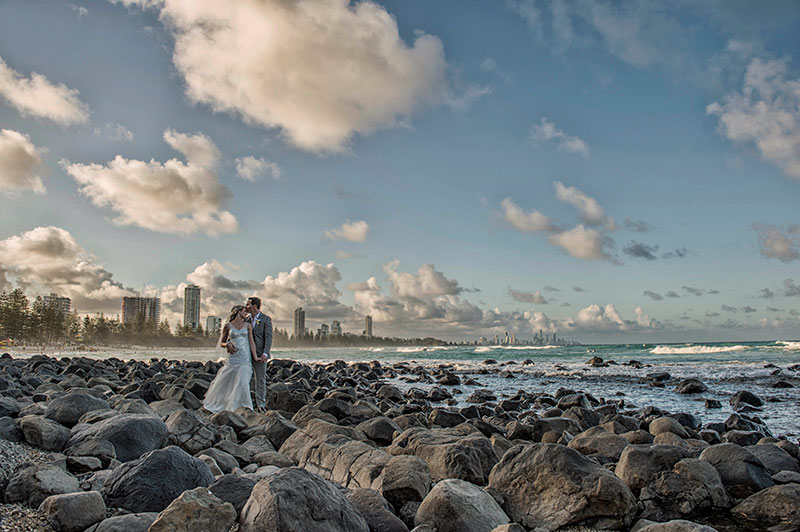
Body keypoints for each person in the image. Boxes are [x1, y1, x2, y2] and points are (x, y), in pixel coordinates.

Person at [203, 305, 266, 413]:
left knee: (242, 382)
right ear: (238, 311)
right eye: (244, 311)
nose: (247, 313)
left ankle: (241, 406)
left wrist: (255, 357)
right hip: (233, 357)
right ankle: (226, 404)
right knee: (227, 381)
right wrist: (227, 344)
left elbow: (251, 342)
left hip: (245, 358)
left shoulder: (248, 325)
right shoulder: (228, 326)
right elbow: (222, 342)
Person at [244, 296, 272, 412]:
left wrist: (265, 353)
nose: (246, 307)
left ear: (254, 306)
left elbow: (268, 337)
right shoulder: (246, 319)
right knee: (245, 378)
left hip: (260, 354)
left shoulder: (266, 319)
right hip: (246, 353)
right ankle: (247, 402)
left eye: (248, 304)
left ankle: (261, 404)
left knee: (260, 379)